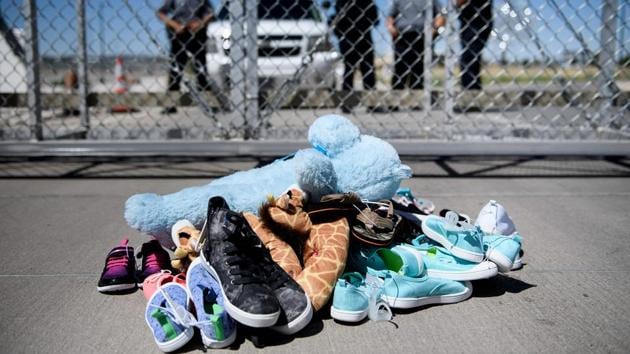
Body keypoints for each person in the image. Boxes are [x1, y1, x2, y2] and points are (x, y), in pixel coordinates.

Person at [157, 0, 214, 114]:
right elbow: (161, 13)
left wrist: (200, 23)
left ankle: (208, 103)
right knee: (175, 71)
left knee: (201, 69)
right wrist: (175, 25)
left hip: (198, 35)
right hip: (179, 36)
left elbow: (211, 14)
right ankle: (170, 105)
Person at [387, 0, 442, 90]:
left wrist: (433, 31)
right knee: (400, 70)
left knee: (419, 71)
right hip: (402, 37)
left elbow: (441, 15)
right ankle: (395, 101)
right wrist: (391, 28)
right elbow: (390, 17)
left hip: (422, 37)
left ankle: (418, 101)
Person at [333, 0, 379, 95]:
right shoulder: (367, 2)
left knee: (350, 70)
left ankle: (347, 102)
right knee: (367, 69)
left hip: (349, 38)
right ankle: (371, 101)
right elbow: (375, 20)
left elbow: (338, 19)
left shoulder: (342, 2)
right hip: (363, 39)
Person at [457, 0, 492, 90]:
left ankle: (470, 89)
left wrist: (454, 4)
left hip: (476, 20)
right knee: (471, 56)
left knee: (469, 56)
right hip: (475, 19)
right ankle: (472, 88)